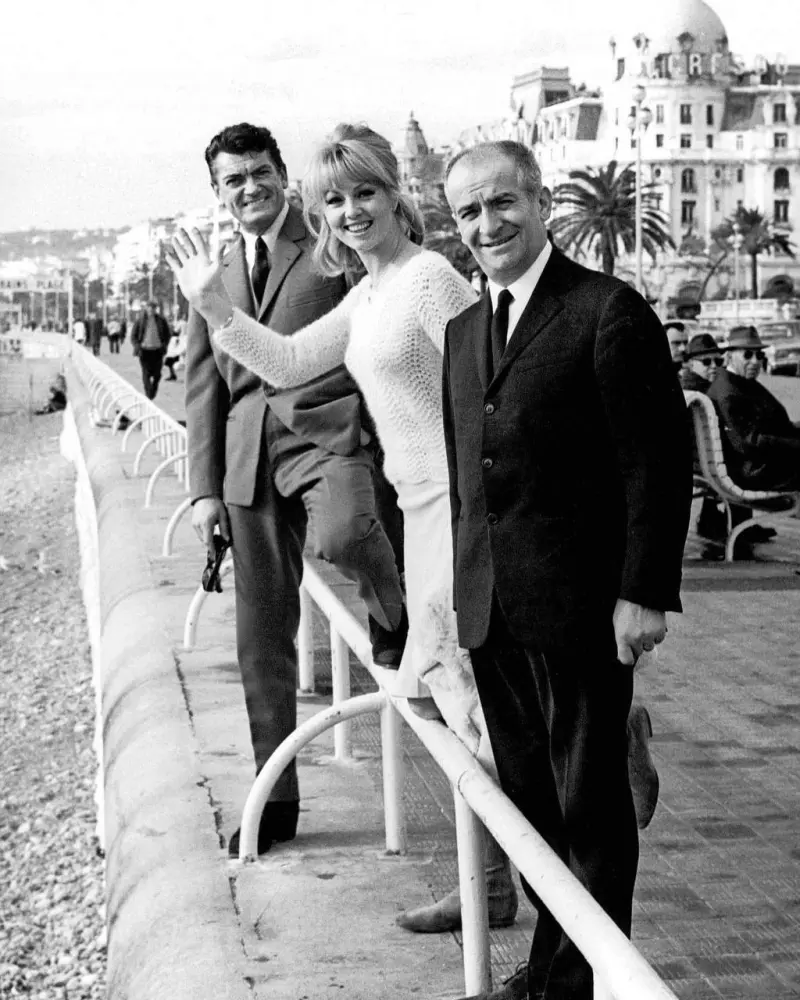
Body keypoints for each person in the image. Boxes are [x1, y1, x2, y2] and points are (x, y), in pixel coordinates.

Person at [168, 123, 663, 935]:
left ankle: (589, 778)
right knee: (442, 700)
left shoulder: (431, 279)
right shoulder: (367, 295)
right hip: (417, 510)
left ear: (398, 192)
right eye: (335, 199)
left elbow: (499, 390)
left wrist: (495, 518)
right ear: (319, 212)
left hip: (461, 507)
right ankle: (506, 872)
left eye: (366, 191)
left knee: (453, 696)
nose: (352, 210)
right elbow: (289, 363)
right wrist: (216, 308)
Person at [441, 141, 692, 1000]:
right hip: (492, 612)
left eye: (503, 203)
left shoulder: (606, 311)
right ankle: (554, 968)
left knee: (590, 809)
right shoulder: (463, 331)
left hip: (582, 609)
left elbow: (654, 466)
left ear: (542, 202)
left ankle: (586, 980)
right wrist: (457, 591)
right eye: (469, 212)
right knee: (531, 808)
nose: (487, 224)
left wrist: (644, 594)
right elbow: (465, 480)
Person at [177, 122, 408, 858]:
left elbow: (376, 334)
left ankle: (394, 613)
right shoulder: (210, 273)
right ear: (217, 192)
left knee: (343, 534)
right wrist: (204, 489)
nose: (250, 189)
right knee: (260, 641)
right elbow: (202, 382)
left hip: (325, 433)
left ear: (283, 173)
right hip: (245, 465)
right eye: (232, 180)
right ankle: (271, 806)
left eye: (259, 173)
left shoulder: (331, 240)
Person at [707, 325, 800, 492]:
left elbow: (774, 425)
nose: (755, 361)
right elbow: (749, 442)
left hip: (758, 465)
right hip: (752, 472)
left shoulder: (738, 382)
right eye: (747, 355)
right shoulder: (729, 392)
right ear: (729, 357)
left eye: (759, 355)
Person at [130, 301, 171, 399]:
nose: (151, 310)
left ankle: (153, 388)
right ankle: (149, 394)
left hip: (157, 351)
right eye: (149, 308)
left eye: (153, 308)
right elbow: (133, 336)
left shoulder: (161, 320)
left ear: (155, 309)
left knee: (157, 374)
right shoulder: (140, 320)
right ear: (146, 308)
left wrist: (164, 344)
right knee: (146, 373)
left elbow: (167, 334)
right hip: (144, 351)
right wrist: (137, 346)